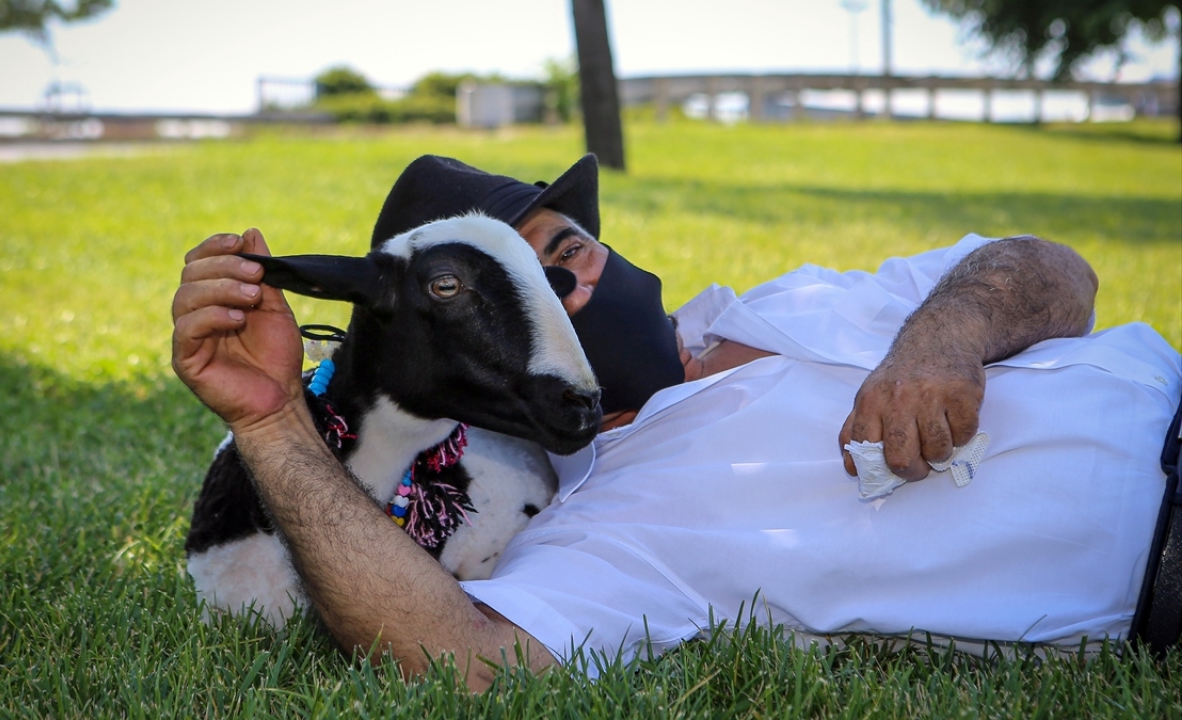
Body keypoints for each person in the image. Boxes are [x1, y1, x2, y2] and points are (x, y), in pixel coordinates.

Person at [171, 155, 1181, 690]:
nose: (578, 281)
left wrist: (940, 341)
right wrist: (272, 424)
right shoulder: (603, 521)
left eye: (567, 247)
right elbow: (460, 661)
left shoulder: (780, 301)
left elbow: (1056, 270)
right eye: (520, 289)